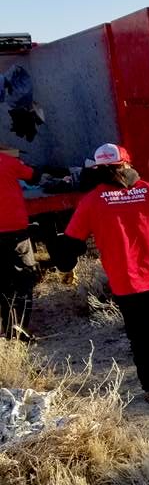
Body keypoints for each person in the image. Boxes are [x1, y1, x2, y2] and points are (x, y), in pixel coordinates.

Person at [57, 144, 149, 404]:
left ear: (99, 169)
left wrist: (66, 268)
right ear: (127, 164)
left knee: (138, 332)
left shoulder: (91, 201)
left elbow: (72, 241)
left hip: (125, 280)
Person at [0, 145, 39, 340]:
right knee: (24, 281)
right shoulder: (7, 162)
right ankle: (18, 331)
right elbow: (33, 175)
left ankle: (7, 329)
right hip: (15, 233)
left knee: (3, 284)